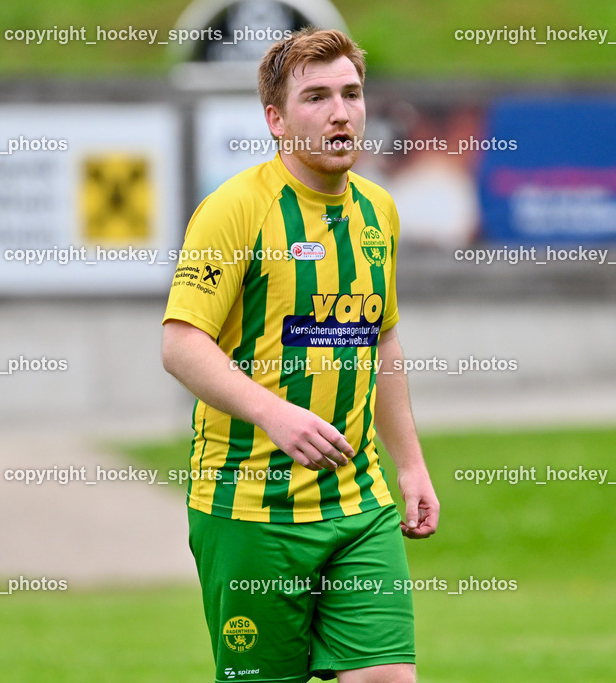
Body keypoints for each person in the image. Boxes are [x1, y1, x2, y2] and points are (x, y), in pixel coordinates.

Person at [161, 26, 439, 683]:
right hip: (252, 507)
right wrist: (274, 414)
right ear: (276, 120)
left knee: (387, 677)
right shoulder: (233, 211)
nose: (341, 113)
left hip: (357, 505)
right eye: (316, 97)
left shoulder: (379, 212)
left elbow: (382, 338)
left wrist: (411, 464)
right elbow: (180, 344)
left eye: (352, 93)